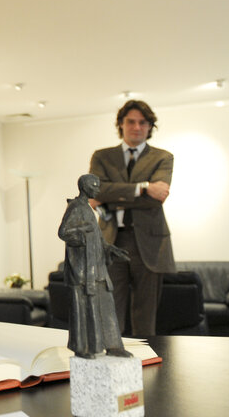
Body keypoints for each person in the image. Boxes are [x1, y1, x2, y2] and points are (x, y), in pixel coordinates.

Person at [89, 100, 175, 336]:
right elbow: (95, 193)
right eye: (131, 121)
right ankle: (112, 365)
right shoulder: (102, 157)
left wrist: (110, 193)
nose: (136, 127)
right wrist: (144, 187)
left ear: (150, 126)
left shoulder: (162, 158)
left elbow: (157, 198)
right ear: (121, 124)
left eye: (142, 122)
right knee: (110, 311)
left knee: (145, 317)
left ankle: (145, 368)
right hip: (110, 241)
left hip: (150, 245)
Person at [58, 174, 131, 359]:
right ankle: (83, 348)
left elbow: (97, 239)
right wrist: (83, 233)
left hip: (97, 267)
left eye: (99, 186)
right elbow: (64, 232)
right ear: (84, 187)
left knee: (106, 304)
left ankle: (113, 345)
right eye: (94, 186)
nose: (98, 189)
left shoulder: (88, 209)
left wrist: (110, 249)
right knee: (84, 308)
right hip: (83, 270)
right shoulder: (75, 207)